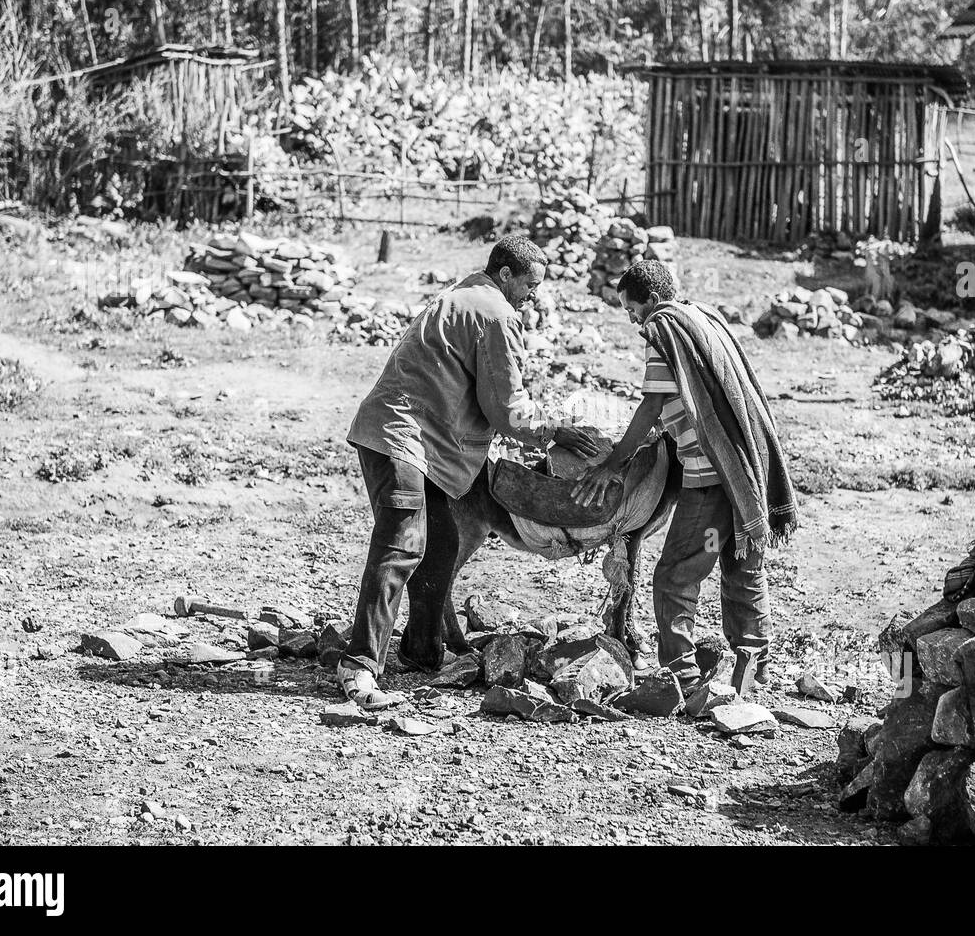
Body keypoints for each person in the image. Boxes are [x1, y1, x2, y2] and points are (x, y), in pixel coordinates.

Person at [340, 234, 599, 707]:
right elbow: (506, 407)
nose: (533, 296)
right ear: (505, 275)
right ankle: (359, 666)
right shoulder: (496, 313)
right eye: (530, 285)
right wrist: (554, 430)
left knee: (440, 547)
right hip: (404, 437)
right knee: (402, 544)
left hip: (419, 439)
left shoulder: (462, 296)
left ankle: (422, 653)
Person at [572, 260, 798, 695]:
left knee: (676, 574)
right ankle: (754, 673)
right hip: (744, 475)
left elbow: (652, 406)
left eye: (631, 308)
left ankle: (681, 674)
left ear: (652, 301)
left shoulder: (665, 329)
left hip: (710, 479)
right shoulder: (705, 318)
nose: (632, 319)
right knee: (740, 565)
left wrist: (614, 462)